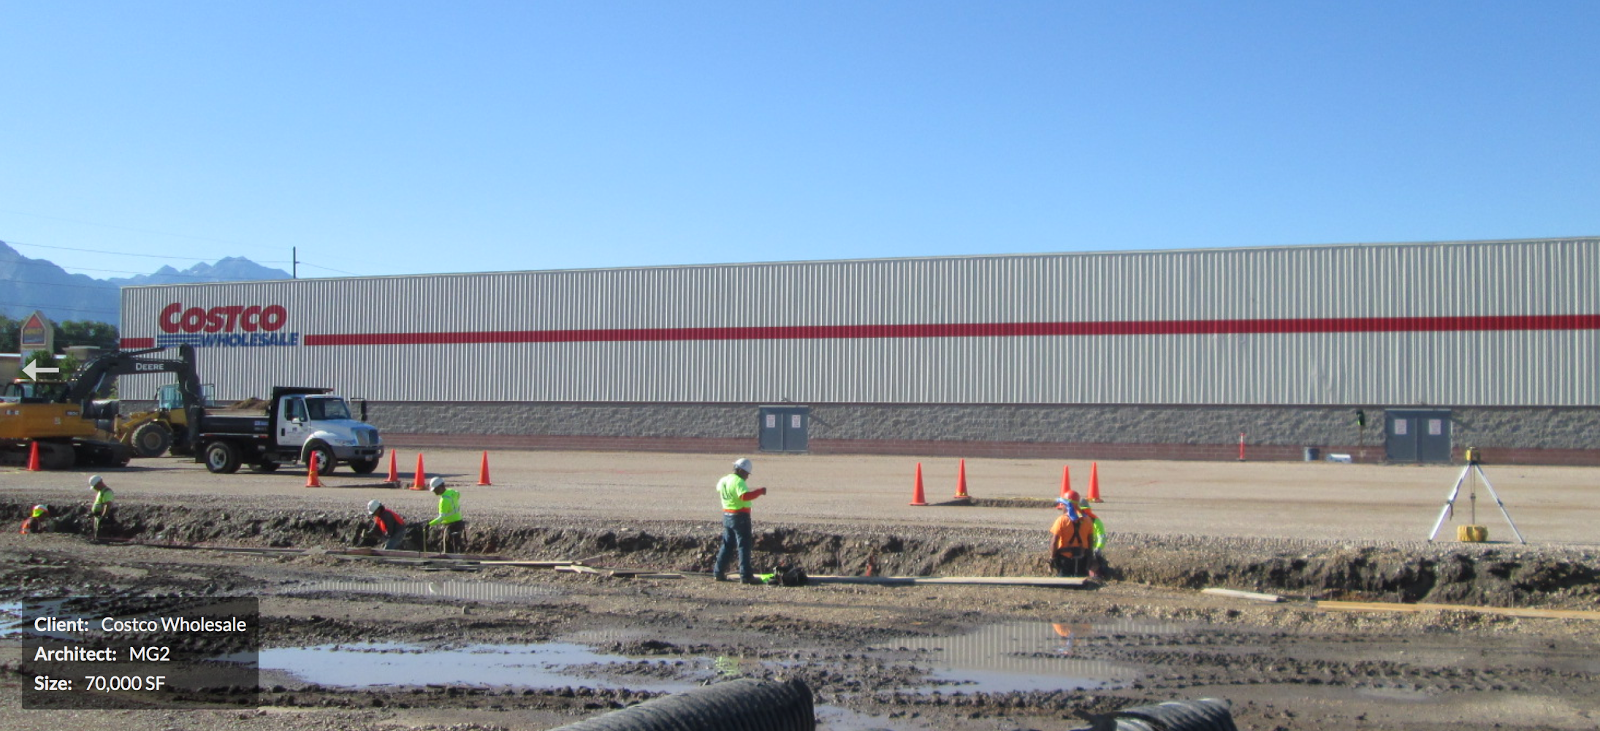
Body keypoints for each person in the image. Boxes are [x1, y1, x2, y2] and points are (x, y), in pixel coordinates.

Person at [713, 457, 767, 584]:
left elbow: (719, 489)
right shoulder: (738, 482)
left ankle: (718, 572)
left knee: (727, 544)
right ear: (742, 471)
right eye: (747, 474)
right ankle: (746, 575)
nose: (747, 477)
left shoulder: (724, 480)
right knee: (744, 546)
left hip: (727, 516)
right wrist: (759, 491)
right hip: (740, 516)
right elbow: (744, 496)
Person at [1048, 496, 1096, 578]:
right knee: (1082, 581)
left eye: (1062, 504)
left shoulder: (1061, 520)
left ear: (1067, 505)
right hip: (1082, 559)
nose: (1061, 507)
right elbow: (1090, 541)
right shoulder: (1087, 520)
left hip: (1065, 560)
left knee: (1063, 582)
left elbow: (1054, 542)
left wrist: (1052, 558)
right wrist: (1090, 557)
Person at [426, 477, 465, 554]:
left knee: (448, 548)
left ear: (441, 487)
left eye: (435, 489)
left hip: (451, 526)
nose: (434, 491)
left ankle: (451, 559)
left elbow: (441, 518)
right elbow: (458, 494)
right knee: (456, 545)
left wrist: (429, 524)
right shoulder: (451, 492)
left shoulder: (444, 500)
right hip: (459, 523)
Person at [1079, 498, 1106, 579]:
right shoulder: (1094, 521)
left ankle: (1096, 574)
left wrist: (1098, 548)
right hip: (1083, 549)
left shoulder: (1095, 521)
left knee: (1094, 562)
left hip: (1091, 549)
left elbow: (1101, 537)